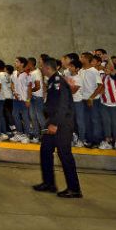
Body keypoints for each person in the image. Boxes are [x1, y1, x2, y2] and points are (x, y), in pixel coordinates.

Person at [33, 58, 83, 198]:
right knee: (45, 151)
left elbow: (62, 105)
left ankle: (74, 189)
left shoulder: (58, 82)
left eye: (42, 67)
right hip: (54, 121)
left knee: (64, 155)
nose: (41, 70)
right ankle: (49, 184)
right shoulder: (54, 80)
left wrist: (54, 123)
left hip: (61, 123)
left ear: (48, 68)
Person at [79, 52, 104, 148]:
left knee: (95, 120)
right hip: (83, 99)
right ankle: (89, 139)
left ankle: (97, 140)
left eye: (82, 57)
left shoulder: (93, 71)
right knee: (86, 120)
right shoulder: (81, 70)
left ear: (86, 59)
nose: (80, 58)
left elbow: (100, 85)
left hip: (93, 100)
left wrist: (91, 97)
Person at [10, 57, 32, 143]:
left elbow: (30, 88)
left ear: (22, 64)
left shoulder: (27, 75)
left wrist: (28, 100)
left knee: (25, 116)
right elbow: (12, 84)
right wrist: (14, 92)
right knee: (15, 115)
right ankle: (19, 133)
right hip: (15, 99)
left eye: (17, 61)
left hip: (24, 99)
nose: (15, 63)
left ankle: (26, 135)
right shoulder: (14, 73)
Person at [66, 59, 87, 147]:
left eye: (72, 66)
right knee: (70, 122)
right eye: (69, 66)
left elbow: (73, 91)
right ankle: (73, 138)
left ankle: (81, 139)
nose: (69, 68)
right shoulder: (68, 77)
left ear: (77, 69)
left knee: (79, 121)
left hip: (77, 102)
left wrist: (65, 87)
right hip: (69, 102)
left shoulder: (78, 78)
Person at [27, 58, 45, 144]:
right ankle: (36, 135)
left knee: (40, 117)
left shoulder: (36, 73)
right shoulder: (30, 73)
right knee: (33, 117)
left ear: (30, 64)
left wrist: (30, 91)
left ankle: (46, 137)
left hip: (38, 98)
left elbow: (38, 86)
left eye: (27, 63)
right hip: (33, 97)